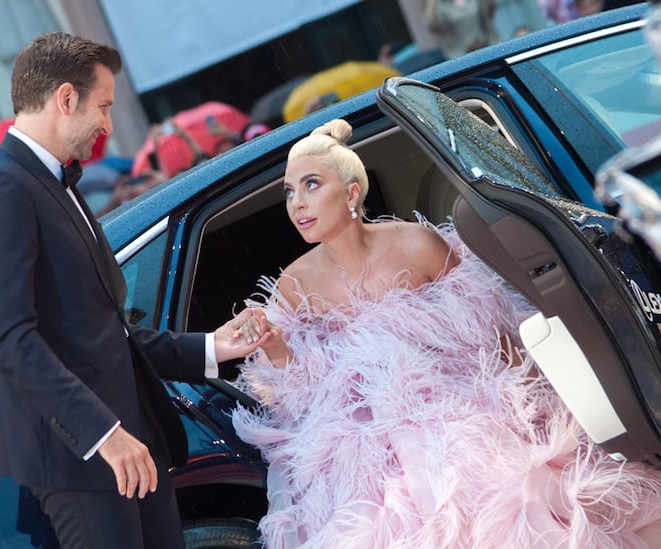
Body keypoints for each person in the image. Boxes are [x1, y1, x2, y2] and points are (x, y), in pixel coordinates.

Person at [229, 118, 661, 547]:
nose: (296, 204)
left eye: (311, 185)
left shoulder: (416, 244)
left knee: (517, 495)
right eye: (289, 192)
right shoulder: (295, 283)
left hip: (464, 407)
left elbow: (492, 331)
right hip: (365, 451)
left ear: (352, 192)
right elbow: (302, 394)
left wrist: (531, 406)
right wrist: (275, 344)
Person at [0, 32, 269, 549]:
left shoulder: (53, 181)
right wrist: (104, 435)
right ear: (65, 98)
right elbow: (11, 340)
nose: (107, 123)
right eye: (102, 106)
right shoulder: (0, 189)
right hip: (82, 457)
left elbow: (106, 335)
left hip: (129, 443)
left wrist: (214, 346)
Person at [425, 0, 497, 59]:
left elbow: (490, 7)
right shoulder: (443, 9)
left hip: (488, 50)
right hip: (461, 58)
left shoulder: (476, 2)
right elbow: (432, 24)